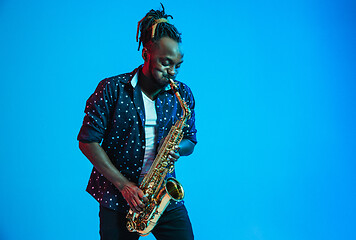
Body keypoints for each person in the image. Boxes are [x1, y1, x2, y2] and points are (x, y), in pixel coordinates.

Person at [77, 4, 197, 240]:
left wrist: (177, 149)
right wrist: (124, 186)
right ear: (146, 53)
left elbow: (190, 140)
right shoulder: (112, 89)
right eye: (165, 63)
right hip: (117, 197)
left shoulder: (182, 94)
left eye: (178, 66)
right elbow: (87, 141)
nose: (172, 72)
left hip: (161, 193)